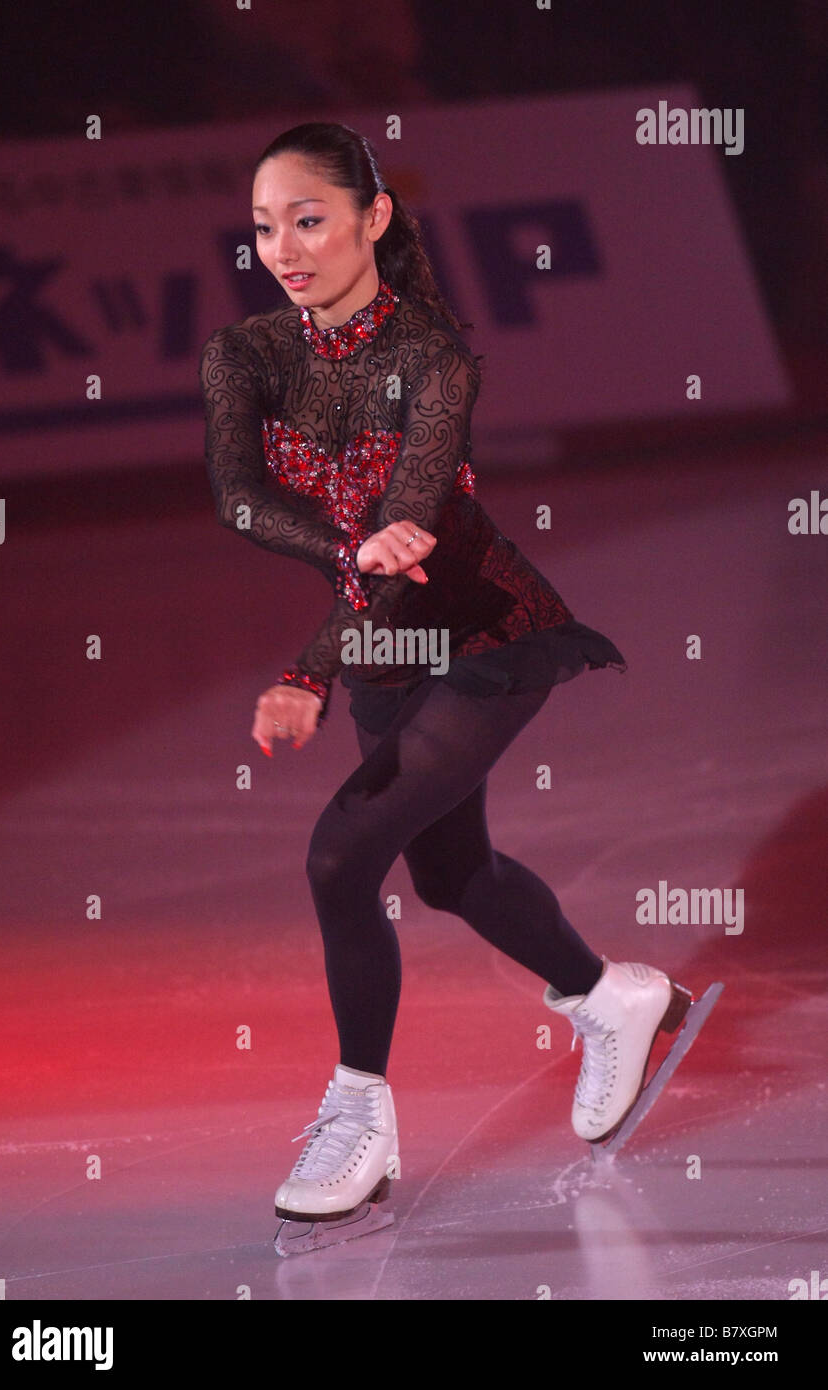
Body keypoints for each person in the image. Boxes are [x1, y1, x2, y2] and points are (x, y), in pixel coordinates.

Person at [199, 122, 693, 1252]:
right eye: (265, 225)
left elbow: (409, 518)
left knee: (340, 853)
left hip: (481, 629)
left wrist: (305, 668)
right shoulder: (242, 356)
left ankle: (358, 1114)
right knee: (450, 873)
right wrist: (336, 599)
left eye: (309, 218)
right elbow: (239, 498)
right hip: (383, 641)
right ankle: (608, 996)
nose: (283, 245)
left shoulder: (432, 355)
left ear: (373, 219)